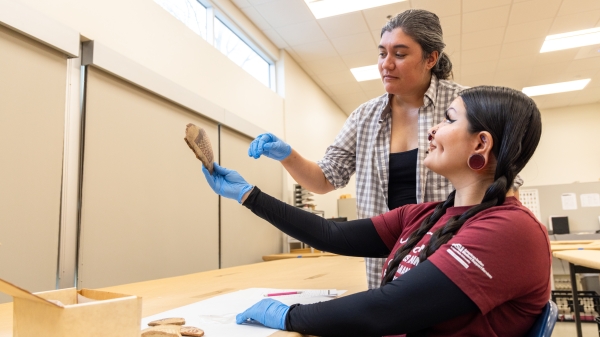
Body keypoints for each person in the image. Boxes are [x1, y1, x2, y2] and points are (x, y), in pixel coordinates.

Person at [201, 86, 550, 336]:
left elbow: (389, 309)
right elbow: (330, 235)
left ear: (480, 143)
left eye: (448, 119)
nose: (432, 129)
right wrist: (249, 195)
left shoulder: (509, 230)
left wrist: (289, 316)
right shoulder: (425, 215)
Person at [247, 9, 467, 290]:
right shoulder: (365, 117)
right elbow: (325, 179)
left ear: (431, 58)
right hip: (386, 261)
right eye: (382, 53)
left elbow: (501, 183)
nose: (386, 64)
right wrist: (287, 155)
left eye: (399, 54)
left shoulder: (462, 105)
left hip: (449, 255)